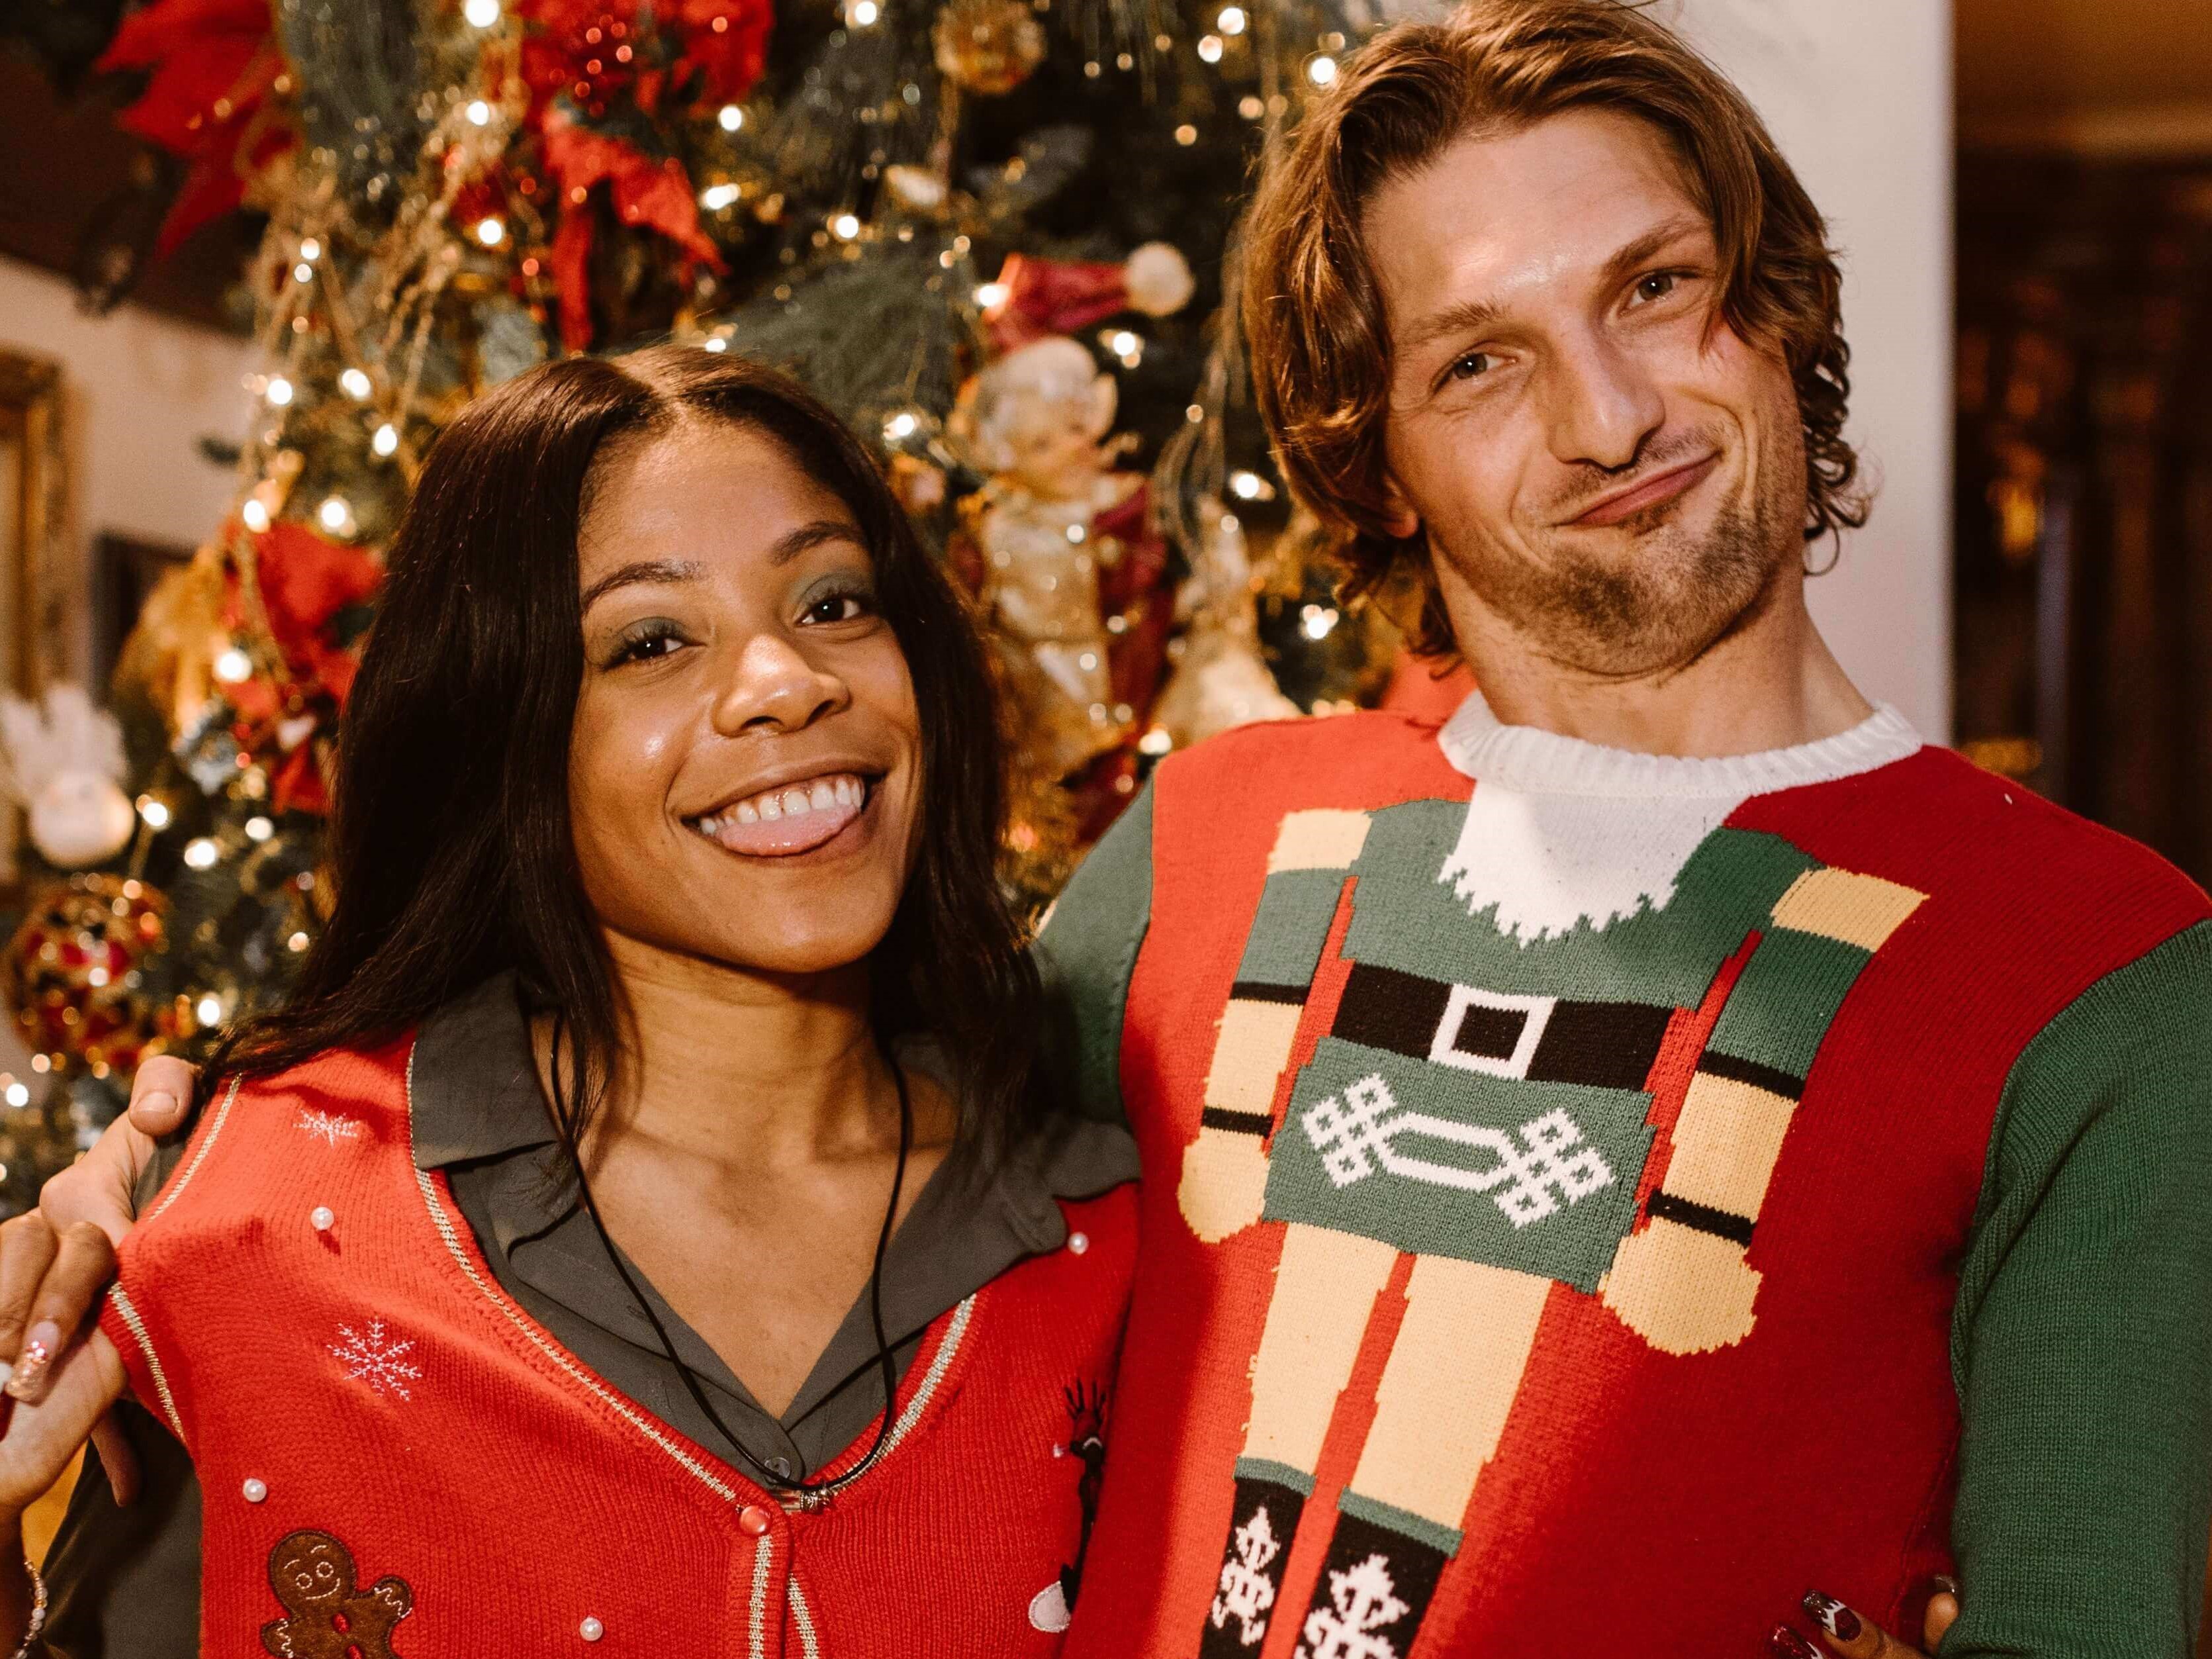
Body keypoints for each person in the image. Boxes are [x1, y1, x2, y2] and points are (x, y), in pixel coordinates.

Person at [19, 5, 2207, 1656]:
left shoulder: (2103, 975)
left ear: (1780, 305)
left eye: (1655, 289)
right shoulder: (1218, 839)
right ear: (1373, 458)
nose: (1610, 415)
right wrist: (169, 1251)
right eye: (1476, 362)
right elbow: (795, 1177)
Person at [0, 345, 1138, 1654]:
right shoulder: (251, 1221)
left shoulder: (1108, 1245)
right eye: (651, 639)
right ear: (511, 738)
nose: (787, 679)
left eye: (834, 601)